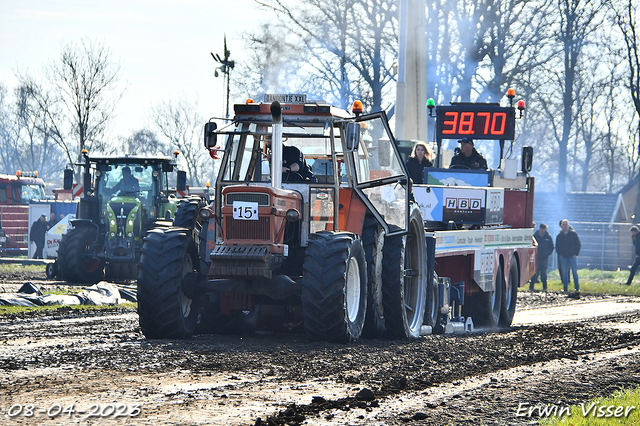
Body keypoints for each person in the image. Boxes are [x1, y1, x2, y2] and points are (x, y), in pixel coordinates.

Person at [556, 219, 581, 292]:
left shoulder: (573, 234)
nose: (565, 226)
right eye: (563, 224)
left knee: (574, 273)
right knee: (565, 273)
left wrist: (576, 254)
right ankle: (565, 289)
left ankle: (577, 288)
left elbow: (578, 244)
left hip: (572, 257)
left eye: (566, 224)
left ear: (568, 225)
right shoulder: (559, 236)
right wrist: (560, 254)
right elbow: (557, 246)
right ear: (561, 226)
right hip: (563, 257)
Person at [530, 223, 554, 291]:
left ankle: (544, 287)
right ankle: (531, 287)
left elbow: (551, 247)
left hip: (544, 258)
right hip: (536, 258)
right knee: (534, 273)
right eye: (541, 228)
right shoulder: (535, 236)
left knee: (543, 273)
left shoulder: (548, 237)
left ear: (545, 229)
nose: (542, 230)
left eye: (543, 229)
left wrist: (547, 254)